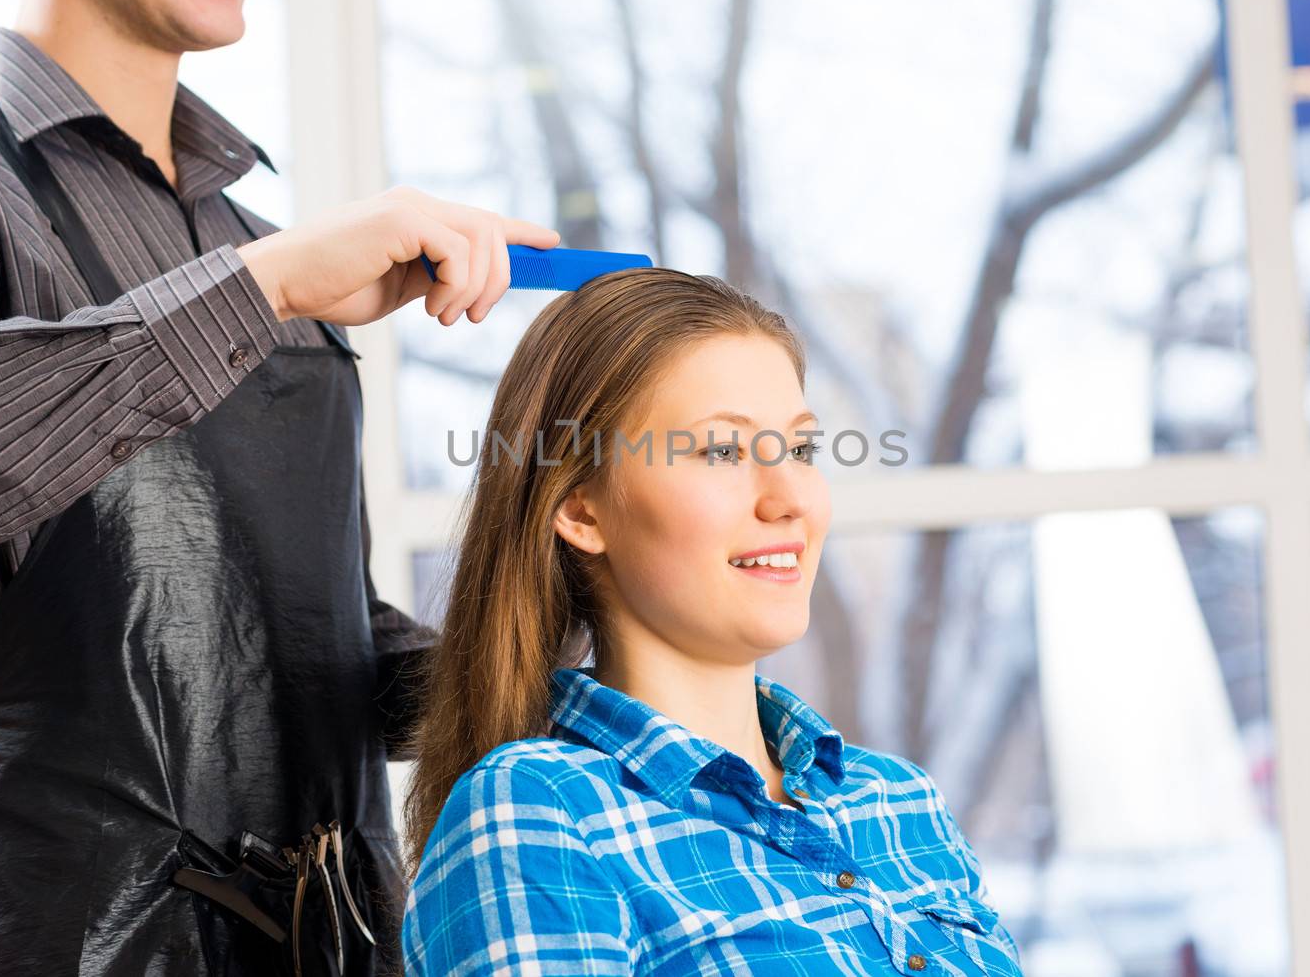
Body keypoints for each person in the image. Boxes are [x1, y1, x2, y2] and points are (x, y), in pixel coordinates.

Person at [0, 0, 560, 974]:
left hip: (334, 939)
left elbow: (307, 649)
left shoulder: (254, 238)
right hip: (63, 938)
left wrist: (569, 677)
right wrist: (268, 289)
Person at [400, 269, 1023, 975]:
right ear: (580, 509)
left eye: (801, 450)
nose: (790, 499)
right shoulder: (539, 812)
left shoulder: (902, 803)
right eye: (723, 451)